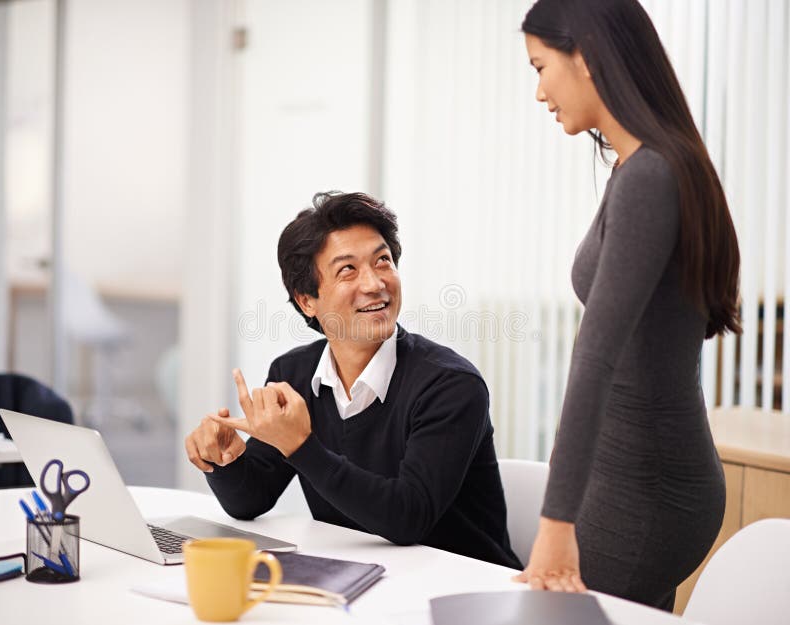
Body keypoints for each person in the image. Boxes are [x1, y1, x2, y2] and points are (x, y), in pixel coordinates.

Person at [516, 0, 741, 611]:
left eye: (540, 67)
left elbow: (596, 359)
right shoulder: (640, 166)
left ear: (585, 57)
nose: (539, 92)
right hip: (633, 480)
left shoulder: (650, 175)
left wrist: (555, 524)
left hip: (646, 492)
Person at [184, 191, 521, 570]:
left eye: (383, 262)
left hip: (462, 588)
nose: (375, 283)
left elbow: (409, 516)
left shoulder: (451, 385)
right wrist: (225, 459)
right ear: (306, 300)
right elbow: (250, 500)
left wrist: (300, 445)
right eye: (348, 270)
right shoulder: (293, 375)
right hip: (361, 582)